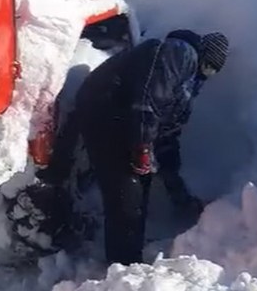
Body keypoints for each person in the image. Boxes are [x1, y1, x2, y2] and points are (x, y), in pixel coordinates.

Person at [42, 28, 230, 265]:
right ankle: (125, 269)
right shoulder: (180, 53)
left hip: (127, 123)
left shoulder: (187, 88)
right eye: (208, 66)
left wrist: (179, 196)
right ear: (203, 55)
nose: (207, 73)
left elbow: (167, 139)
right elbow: (148, 99)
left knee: (138, 188)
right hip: (106, 109)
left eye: (213, 71)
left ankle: (129, 263)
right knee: (127, 192)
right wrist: (142, 148)